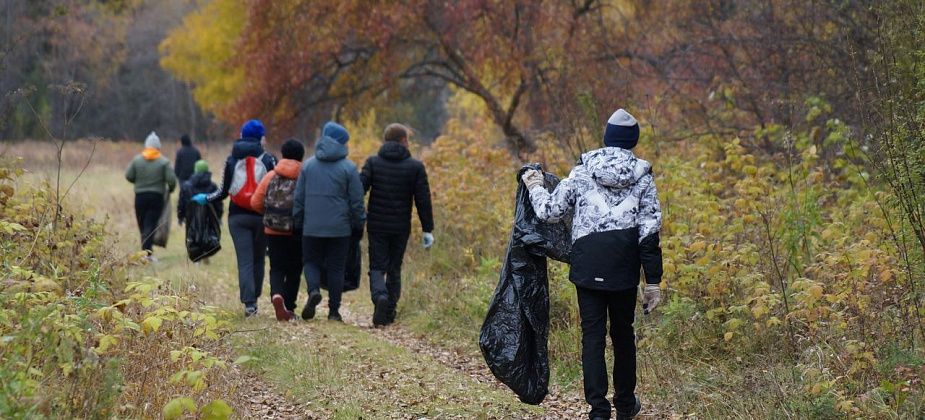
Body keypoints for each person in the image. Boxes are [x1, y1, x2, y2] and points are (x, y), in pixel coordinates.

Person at [521, 109, 663, 420]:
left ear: (607, 137)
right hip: (624, 267)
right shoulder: (643, 177)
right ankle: (626, 406)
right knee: (624, 335)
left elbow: (550, 212)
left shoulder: (583, 171)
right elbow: (649, 232)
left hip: (588, 264)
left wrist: (534, 185)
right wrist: (652, 282)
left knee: (593, 335)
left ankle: (598, 411)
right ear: (633, 141)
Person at [193, 119, 277, 317]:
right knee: (259, 259)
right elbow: (275, 189)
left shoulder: (231, 160)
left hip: (237, 218)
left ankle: (250, 305)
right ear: (261, 138)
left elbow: (222, 192)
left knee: (245, 260)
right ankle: (254, 296)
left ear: (241, 135)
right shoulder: (269, 160)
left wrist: (206, 198)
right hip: (262, 217)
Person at [360, 123, 434, 326]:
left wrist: (356, 215)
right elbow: (423, 200)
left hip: (376, 224)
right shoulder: (415, 167)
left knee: (376, 266)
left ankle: (379, 297)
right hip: (401, 226)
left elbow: (360, 189)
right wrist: (427, 229)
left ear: (385, 141)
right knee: (394, 268)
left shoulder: (373, 163)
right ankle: (389, 311)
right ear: (403, 140)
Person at [293, 122, 366, 322]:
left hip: (311, 226)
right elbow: (356, 201)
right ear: (341, 143)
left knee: (310, 261)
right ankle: (334, 312)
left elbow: (299, 198)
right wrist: (359, 224)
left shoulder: (308, 165)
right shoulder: (349, 168)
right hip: (340, 228)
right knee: (336, 268)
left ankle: (314, 290)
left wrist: (297, 221)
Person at [251, 139, 305, 322]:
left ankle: (276, 295)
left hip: (273, 230)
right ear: (302, 155)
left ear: (283, 154)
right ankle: (289, 306)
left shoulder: (271, 175)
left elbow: (255, 202)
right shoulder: (304, 176)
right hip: (297, 230)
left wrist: (269, 215)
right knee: (295, 269)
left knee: (277, 267)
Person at [125, 131, 177, 262]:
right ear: (158, 147)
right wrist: (170, 190)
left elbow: (128, 175)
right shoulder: (164, 162)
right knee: (150, 224)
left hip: (140, 197)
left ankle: (145, 253)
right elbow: (172, 180)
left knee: (142, 224)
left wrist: (139, 183)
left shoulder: (137, 160)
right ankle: (147, 254)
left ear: (146, 146)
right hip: (156, 198)